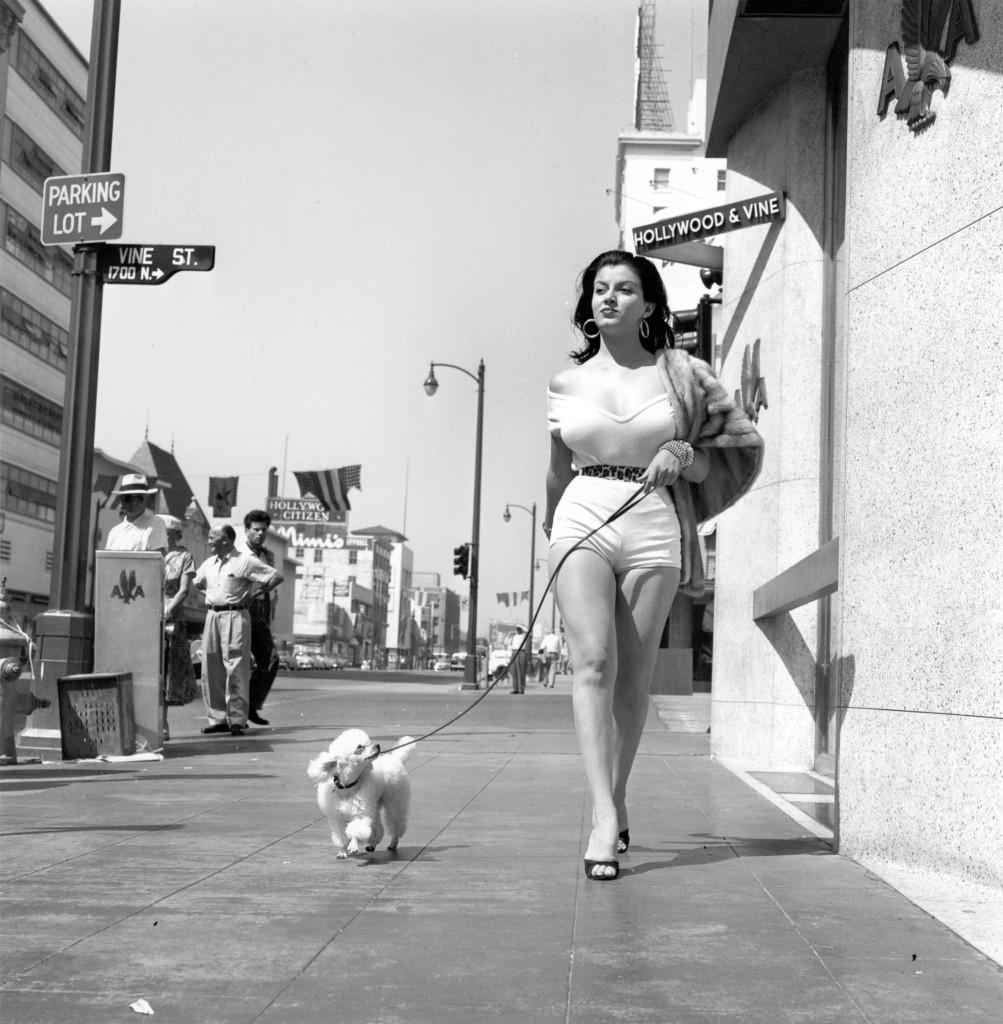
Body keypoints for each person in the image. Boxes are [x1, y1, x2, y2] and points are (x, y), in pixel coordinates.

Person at [545, 250, 762, 880]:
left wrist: (681, 450)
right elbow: (558, 473)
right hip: (582, 517)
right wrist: (550, 539)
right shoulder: (563, 384)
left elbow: (729, 452)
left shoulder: (683, 375)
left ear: (648, 305)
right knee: (592, 664)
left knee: (633, 680)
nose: (610, 298)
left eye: (625, 289)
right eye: (600, 290)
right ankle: (604, 817)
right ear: (589, 305)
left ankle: (617, 791)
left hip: (652, 524)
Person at [193, 525, 281, 736]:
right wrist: (213, 594)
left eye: (212, 538)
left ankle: (238, 719)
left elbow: (275, 577)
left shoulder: (244, 561)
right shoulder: (208, 563)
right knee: (211, 667)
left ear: (226, 539)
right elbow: (197, 582)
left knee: (236, 667)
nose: (209, 542)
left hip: (236, 615)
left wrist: (253, 594)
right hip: (213, 615)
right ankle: (218, 718)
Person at [240, 509, 284, 725]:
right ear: (247, 529)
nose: (260, 534)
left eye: (263, 531)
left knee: (271, 659)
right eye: (256, 530)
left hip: (258, 614)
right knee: (235, 664)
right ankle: (231, 713)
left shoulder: (267, 555)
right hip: (238, 610)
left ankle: (251, 705)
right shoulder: (237, 552)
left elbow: (269, 587)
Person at [160, 514, 198, 708]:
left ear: (176, 534)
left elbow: (183, 590)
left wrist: (167, 611)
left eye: (166, 533)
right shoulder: (153, 553)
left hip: (171, 614)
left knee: (169, 668)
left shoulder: (184, 556)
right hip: (148, 611)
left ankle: (163, 720)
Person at [104, 474, 168, 553]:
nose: (133, 502)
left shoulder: (156, 524)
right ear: (121, 499)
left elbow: (157, 561)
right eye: (128, 498)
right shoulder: (114, 532)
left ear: (146, 497)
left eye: (138, 498)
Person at [507, 625, 529, 694]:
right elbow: (506, 643)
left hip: (521, 652)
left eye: (519, 629)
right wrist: (509, 635)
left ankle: (521, 688)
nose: (518, 630)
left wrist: (521, 626)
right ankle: (515, 688)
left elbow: (527, 631)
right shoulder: (514, 636)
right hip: (514, 652)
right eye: (517, 629)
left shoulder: (523, 636)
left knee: (521, 671)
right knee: (513, 671)